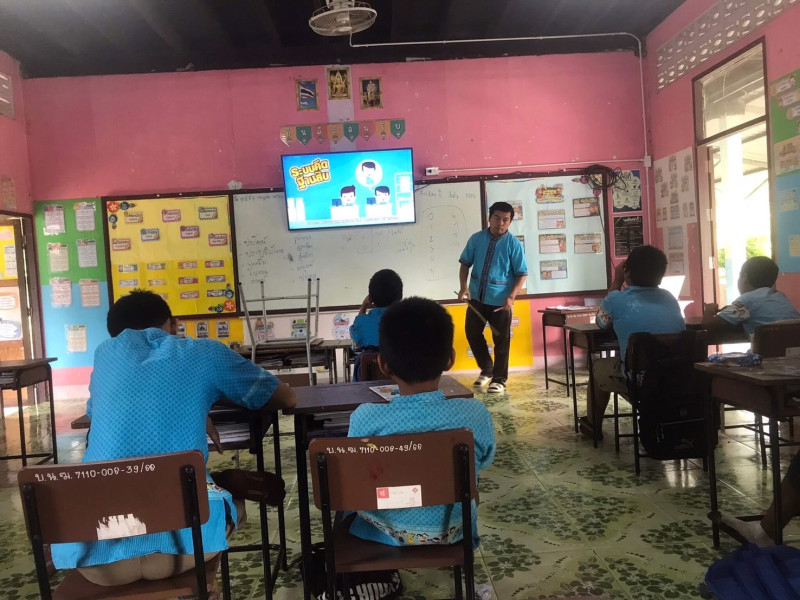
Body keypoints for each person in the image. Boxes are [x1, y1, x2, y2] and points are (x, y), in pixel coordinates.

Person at [50, 290, 296, 586]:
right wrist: (200, 403)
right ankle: (220, 487)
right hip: (187, 545)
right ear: (174, 324)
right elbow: (286, 398)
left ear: (115, 334)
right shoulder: (205, 352)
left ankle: (213, 483)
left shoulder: (105, 355)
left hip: (98, 559)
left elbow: (101, 410)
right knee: (227, 503)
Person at [347, 296, 496, 546]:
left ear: (383, 364)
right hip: (453, 530)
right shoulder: (474, 414)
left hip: (382, 531)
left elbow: (356, 474)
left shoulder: (364, 417)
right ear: (450, 359)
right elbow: (484, 461)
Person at [580, 245, 685, 441]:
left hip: (639, 379)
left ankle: (593, 425)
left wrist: (616, 282)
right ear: (660, 274)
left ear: (627, 271)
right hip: (676, 376)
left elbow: (602, 322)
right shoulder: (669, 298)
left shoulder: (616, 299)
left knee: (597, 367)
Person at [458, 201, 527, 394]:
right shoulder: (476, 239)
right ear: (490, 218)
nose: (500, 223)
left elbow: (521, 273)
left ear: (510, 222)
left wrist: (511, 296)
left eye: (506, 219)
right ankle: (487, 369)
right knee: (472, 333)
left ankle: (499, 379)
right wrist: (463, 287)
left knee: (501, 341)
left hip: (500, 302)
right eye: (497, 218)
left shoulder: (514, 245)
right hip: (476, 299)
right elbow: (465, 264)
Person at [701, 255, 800, 338]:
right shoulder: (779, 296)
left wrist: (710, 309)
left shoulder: (746, 301)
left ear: (744, 277)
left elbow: (708, 324)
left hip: (766, 352)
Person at [349, 269, 403, 381]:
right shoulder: (410, 319)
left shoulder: (363, 321)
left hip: (369, 384)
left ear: (371, 298)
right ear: (400, 296)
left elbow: (356, 340)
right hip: (404, 382)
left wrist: (364, 305)